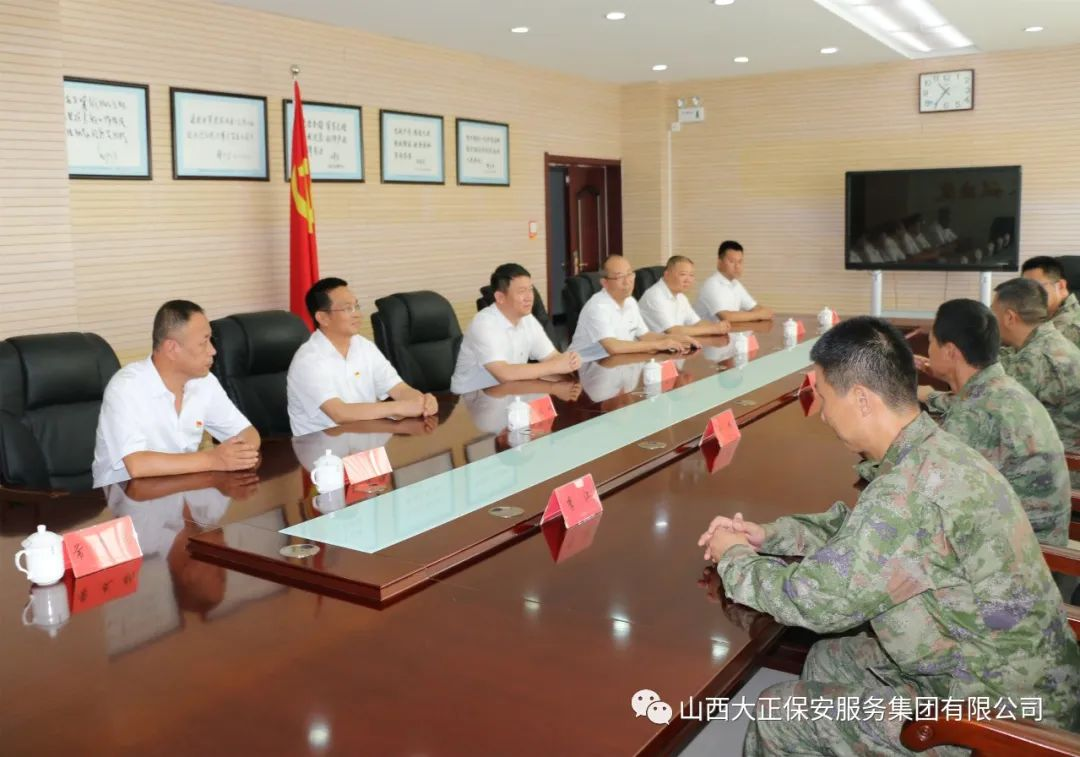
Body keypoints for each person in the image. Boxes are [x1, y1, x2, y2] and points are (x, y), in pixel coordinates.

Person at [698, 316, 1080, 755]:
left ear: (861, 399)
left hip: (993, 716)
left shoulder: (909, 490)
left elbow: (817, 602)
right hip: (995, 671)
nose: (822, 414)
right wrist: (769, 536)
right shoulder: (933, 450)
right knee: (828, 658)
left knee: (777, 711)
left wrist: (734, 558)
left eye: (825, 398)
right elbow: (864, 531)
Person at [905, 300, 1070, 546]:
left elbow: (929, 490)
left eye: (930, 342)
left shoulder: (976, 414)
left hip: (1022, 551)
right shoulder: (1000, 389)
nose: (928, 351)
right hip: (1036, 535)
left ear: (950, 351)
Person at [92, 300, 261, 488]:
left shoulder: (204, 381)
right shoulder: (126, 387)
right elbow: (137, 465)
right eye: (203, 343)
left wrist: (239, 455)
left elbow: (247, 432)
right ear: (172, 348)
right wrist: (213, 459)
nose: (213, 351)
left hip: (182, 490)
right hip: (125, 498)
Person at [287, 277, 438, 437]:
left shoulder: (364, 346)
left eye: (356, 306)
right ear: (323, 318)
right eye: (347, 308)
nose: (357, 314)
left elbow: (399, 389)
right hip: (324, 447)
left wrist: (422, 401)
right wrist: (398, 407)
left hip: (366, 440)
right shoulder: (308, 360)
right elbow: (339, 413)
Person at [992, 277, 1080, 489]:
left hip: (1061, 470)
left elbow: (990, 409)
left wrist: (930, 396)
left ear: (1009, 317)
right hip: (1056, 456)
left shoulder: (1035, 359)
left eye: (993, 314)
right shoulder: (1048, 342)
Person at [451, 263, 580, 394]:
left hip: (510, 392)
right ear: (500, 297)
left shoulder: (528, 319)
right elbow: (503, 373)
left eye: (530, 290)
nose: (529, 297)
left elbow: (551, 357)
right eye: (522, 291)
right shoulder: (483, 324)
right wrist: (554, 368)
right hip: (471, 397)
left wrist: (570, 360)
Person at [568, 255, 697, 356]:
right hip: (587, 366)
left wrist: (677, 339)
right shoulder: (597, 306)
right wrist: (658, 344)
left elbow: (645, 336)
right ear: (604, 283)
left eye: (630, 274)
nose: (628, 281)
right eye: (620, 277)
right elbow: (613, 347)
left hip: (619, 362)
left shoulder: (630, 301)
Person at [637, 256, 731, 337]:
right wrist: (713, 329)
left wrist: (719, 326)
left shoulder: (681, 297)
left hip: (673, 347)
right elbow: (673, 331)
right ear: (666, 274)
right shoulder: (655, 296)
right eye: (683, 274)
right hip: (650, 350)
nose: (688, 280)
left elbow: (696, 323)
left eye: (691, 275)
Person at [694, 241, 774, 323]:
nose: (737, 266)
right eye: (732, 261)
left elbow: (756, 308)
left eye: (740, 262)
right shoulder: (712, 284)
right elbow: (726, 317)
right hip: (704, 331)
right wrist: (759, 315)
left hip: (728, 330)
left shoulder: (735, 284)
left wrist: (765, 312)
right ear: (719, 263)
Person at [1021, 256, 1080, 348]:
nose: (1029, 294)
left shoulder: (1071, 325)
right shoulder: (1040, 315)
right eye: (1024, 289)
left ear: (1061, 286)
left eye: (1036, 287)